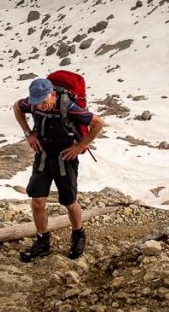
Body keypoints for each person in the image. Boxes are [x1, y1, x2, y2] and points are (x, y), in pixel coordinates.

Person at [13, 77, 104, 261]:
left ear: (53, 95)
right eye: (36, 103)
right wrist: (28, 133)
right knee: (37, 201)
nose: (39, 107)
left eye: (43, 102)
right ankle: (42, 241)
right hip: (43, 155)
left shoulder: (68, 107)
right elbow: (16, 107)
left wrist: (80, 146)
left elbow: (98, 123)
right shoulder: (31, 103)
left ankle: (78, 234)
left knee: (69, 201)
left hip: (65, 158)